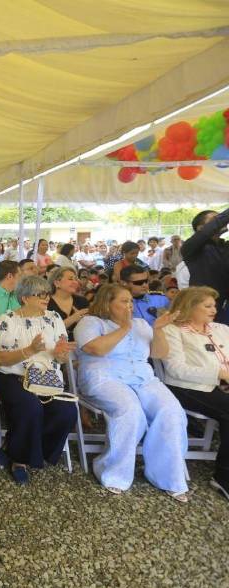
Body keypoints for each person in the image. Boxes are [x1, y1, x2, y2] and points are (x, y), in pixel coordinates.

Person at [73, 284, 188, 501]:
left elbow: (160, 353)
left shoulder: (142, 324)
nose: (130, 306)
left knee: (172, 411)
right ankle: (113, 472)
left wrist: (158, 330)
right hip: (104, 377)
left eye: (131, 301)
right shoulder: (90, 322)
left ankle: (167, 477)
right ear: (107, 303)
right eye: (124, 301)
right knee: (131, 411)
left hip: (143, 378)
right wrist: (124, 328)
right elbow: (96, 349)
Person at [0, 276, 78, 485]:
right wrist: (29, 350)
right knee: (31, 407)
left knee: (67, 411)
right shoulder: (8, 320)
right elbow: (0, 359)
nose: (46, 297)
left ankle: (20, 448)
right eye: (40, 294)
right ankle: (19, 460)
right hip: (13, 377)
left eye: (47, 293)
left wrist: (61, 354)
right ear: (24, 297)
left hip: (47, 378)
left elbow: (61, 359)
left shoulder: (54, 318)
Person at [160, 286, 229, 501]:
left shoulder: (220, 329)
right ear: (189, 307)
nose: (214, 310)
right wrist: (219, 374)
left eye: (214, 305)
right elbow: (175, 369)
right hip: (188, 387)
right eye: (207, 306)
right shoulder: (172, 330)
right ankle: (224, 477)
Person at [182, 208, 229, 324]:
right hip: (201, 305)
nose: (221, 221)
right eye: (215, 219)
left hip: (223, 306)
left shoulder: (224, 246)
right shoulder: (190, 247)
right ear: (200, 228)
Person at [47, 267, 89, 340]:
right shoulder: (46, 302)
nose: (75, 282)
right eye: (70, 279)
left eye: (76, 279)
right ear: (57, 283)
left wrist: (84, 321)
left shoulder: (82, 301)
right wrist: (73, 318)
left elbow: (90, 327)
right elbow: (46, 331)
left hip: (80, 343)